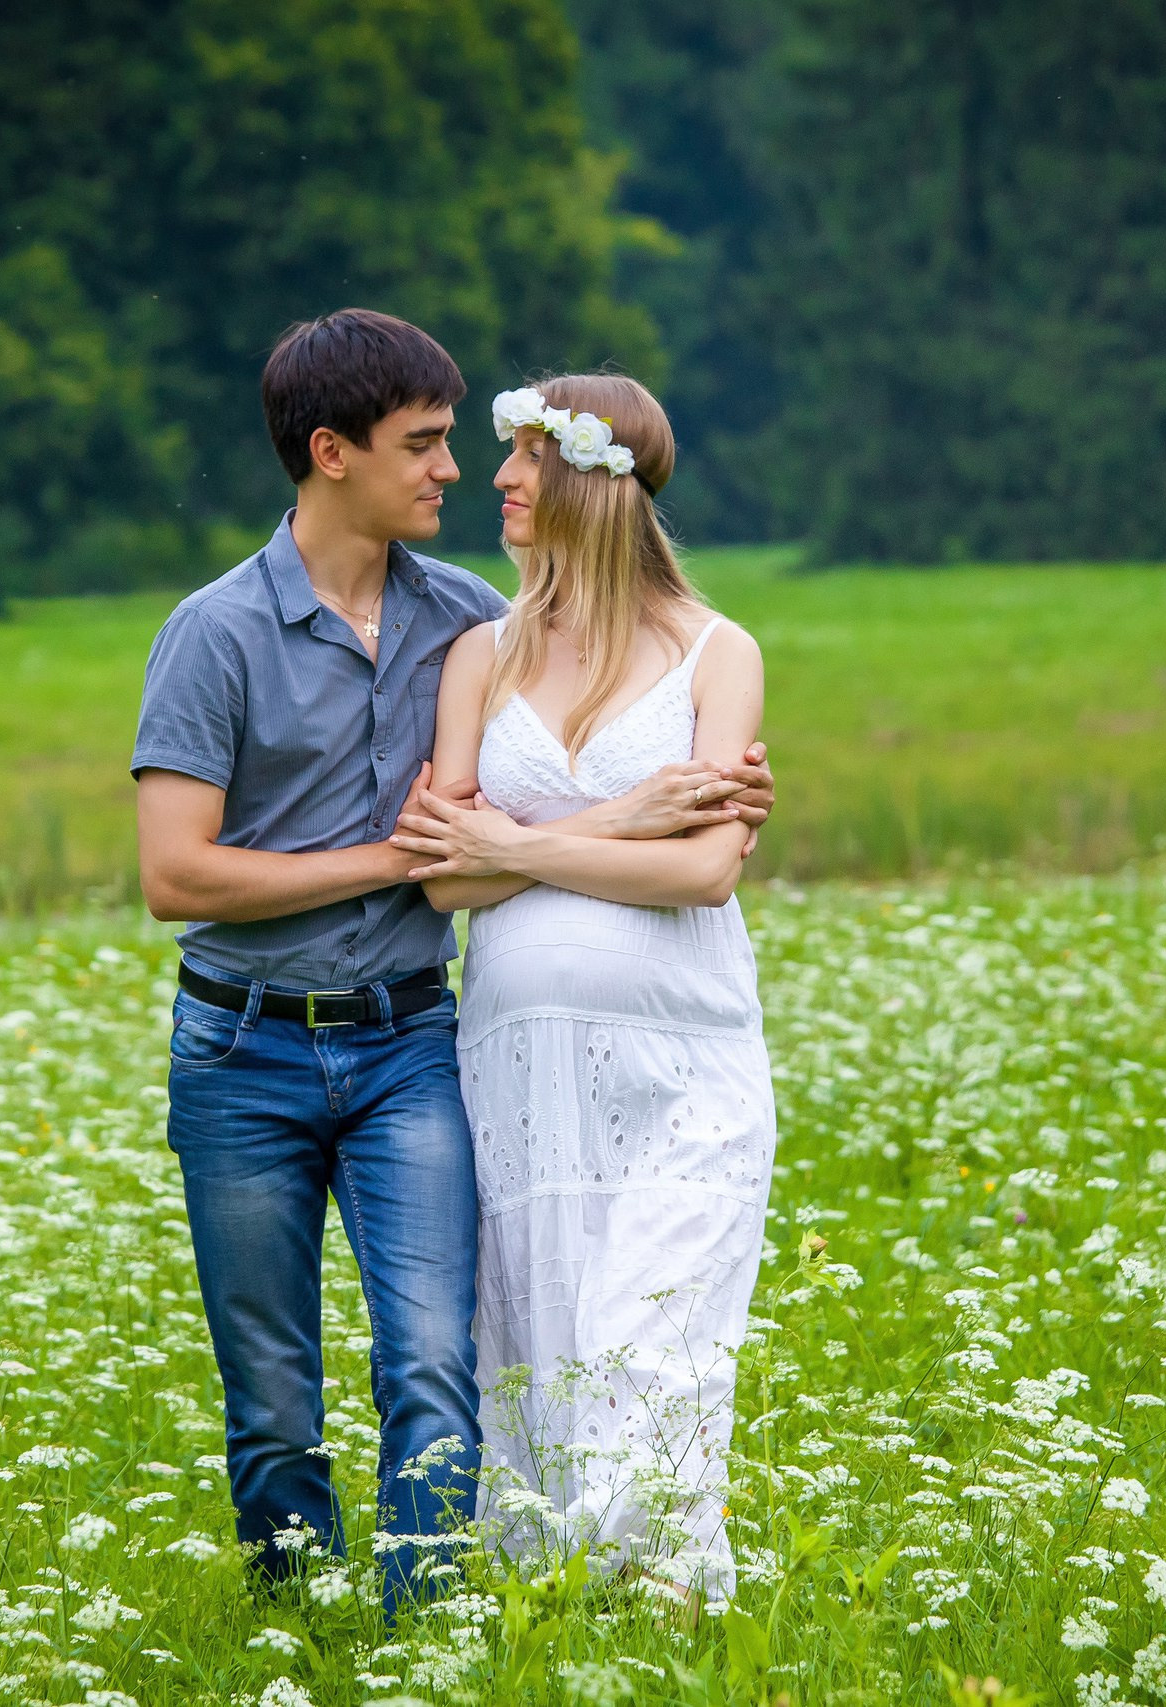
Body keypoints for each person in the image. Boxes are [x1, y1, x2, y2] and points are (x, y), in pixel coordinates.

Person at [130, 311, 773, 1606]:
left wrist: (573, 828)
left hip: (411, 1040)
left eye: (465, 443)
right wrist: (463, 847)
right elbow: (184, 876)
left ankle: (426, 1617)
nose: (457, 470)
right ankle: (301, 1623)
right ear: (332, 453)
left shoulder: (469, 619)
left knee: (437, 1356)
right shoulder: (220, 631)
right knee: (273, 1390)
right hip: (244, 1046)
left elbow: (561, 833)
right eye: (424, 443)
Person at [390, 374, 776, 1607]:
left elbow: (705, 871)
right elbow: (444, 880)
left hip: (682, 1059)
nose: (496, 480)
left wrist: (514, 845)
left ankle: (665, 1604)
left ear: (590, 481)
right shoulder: (480, 656)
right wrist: (618, 822)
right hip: (520, 1070)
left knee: (650, 1341)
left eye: (522, 458)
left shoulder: (717, 652)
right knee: (541, 1352)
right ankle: (564, 1617)